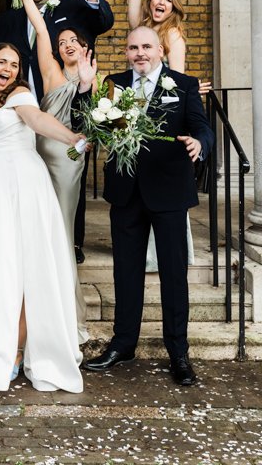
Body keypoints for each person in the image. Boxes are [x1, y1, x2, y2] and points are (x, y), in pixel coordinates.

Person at [0, 42, 86, 393]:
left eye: (14, 63)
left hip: (24, 186)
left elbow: (37, 120)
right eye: (1, 61)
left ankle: (18, 350)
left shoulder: (20, 94)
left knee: (25, 269)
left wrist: (72, 137)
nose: (7, 68)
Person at [81, 26, 214, 387]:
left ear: (160, 50)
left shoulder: (183, 85)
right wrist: (88, 97)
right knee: (126, 271)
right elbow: (98, 129)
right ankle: (123, 344)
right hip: (125, 192)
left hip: (169, 190)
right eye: (133, 47)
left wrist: (199, 144)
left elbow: (202, 128)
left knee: (173, 274)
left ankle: (179, 352)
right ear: (126, 52)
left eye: (146, 47)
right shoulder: (113, 82)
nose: (139, 53)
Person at [124, 0, 210, 270]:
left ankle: (166, 251)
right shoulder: (140, 26)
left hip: (160, 112)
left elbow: (176, 81)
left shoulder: (173, 34)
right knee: (138, 181)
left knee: (162, 181)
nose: (161, 2)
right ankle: (142, 251)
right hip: (133, 106)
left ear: (174, 6)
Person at [14, 0, 93, 343]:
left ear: (83, 45)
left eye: (72, 41)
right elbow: (40, 29)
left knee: (60, 231)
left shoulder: (97, 79)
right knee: (38, 229)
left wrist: (90, 87)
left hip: (70, 163)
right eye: (61, 43)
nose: (65, 46)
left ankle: (62, 311)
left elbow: (99, 126)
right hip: (42, 157)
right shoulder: (51, 73)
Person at [0, 0, 113, 100]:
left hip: (67, 95)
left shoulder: (71, 5)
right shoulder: (8, 19)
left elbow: (104, 24)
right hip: (19, 97)